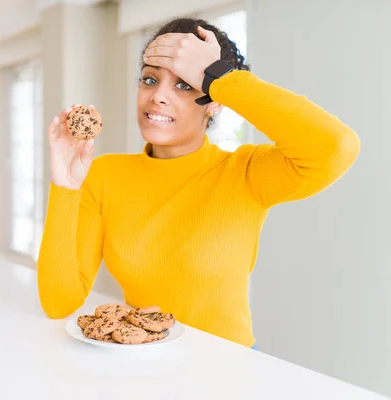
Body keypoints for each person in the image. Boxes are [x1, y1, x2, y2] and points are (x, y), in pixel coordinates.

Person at [36, 17, 360, 348]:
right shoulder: (104, 174)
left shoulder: (245, 172)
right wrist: (65, 186)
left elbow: (337, 147)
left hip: (227, 372)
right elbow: (58, 302)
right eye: (150, 79)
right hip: (141, 366)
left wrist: (221, 79)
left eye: (184, 85)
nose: (158, 96)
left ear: (214, 101)